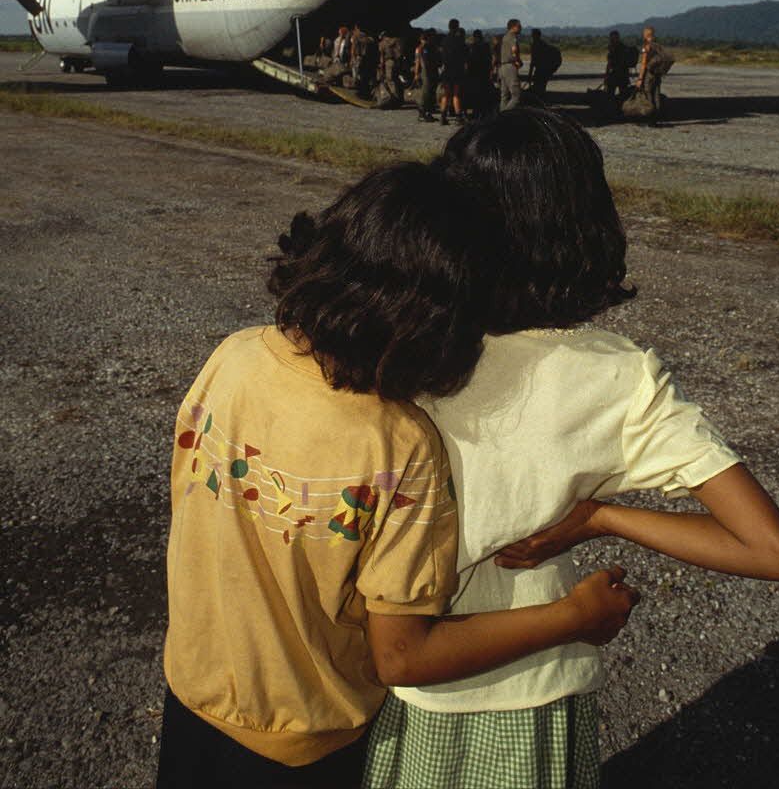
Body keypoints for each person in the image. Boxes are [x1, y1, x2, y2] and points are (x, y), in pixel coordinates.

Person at [157, 161, 639, 789]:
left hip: (191, 695)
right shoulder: (400, 443)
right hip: (305, 741)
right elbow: (402, 654)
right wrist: (574, 617)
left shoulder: (237, 354)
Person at [363, 109, 779, 789]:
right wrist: (600, 515)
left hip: (392, 685)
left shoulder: (402, 338)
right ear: (585, 221)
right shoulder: (619, 376)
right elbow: (771, 552)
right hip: (534, 688)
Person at [636, 25, 669, 123]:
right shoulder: (658, 46)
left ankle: (650, 118)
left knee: (648, 95)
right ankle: (657, 117)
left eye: (644, 34)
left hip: (649, 75)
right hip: (657, 75)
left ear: (646, 35)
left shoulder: (646, 47)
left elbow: (643, 64)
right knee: (656, 95)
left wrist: (640, 79)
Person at [439, 18, 468, 125]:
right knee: (456, 94)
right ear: (457, 27)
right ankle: (458, 117)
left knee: (446, 95)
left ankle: (443, 116)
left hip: (446, 70)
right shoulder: (459, 41)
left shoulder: (444, 40)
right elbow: (465, 56)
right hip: (457, 70)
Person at [465, 29, 494, 119]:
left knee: (475, 93)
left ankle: (476, 111)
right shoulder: (486, 46)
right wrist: (490, 71)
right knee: (483, 92)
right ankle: (483, 111)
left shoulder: (472, 46)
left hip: (473, 72)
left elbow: (468, 60)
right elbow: (489, 59)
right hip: (483, 72)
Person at [526, 27, 561, 100]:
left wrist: (529, 75)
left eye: (532, 35)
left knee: (538, 87)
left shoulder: (535, 45)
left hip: (542, 70)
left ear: (534, 36)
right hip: (546, 69)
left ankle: (539, 101)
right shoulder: (543, 44)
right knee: (541, 87)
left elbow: (533, 62)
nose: (532, 37)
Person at [414, 28, 441, 123]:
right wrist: (416, 74)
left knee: (431, 92)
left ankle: (428, 112)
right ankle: (422, 112)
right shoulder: (422, 48)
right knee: (426, 93)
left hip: (432, 72)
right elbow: (419, 62)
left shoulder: (432, 47)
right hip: (426, 73)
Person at [498, 18, 522, 110]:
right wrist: (517, 60)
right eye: (519, 26)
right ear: (513, 27)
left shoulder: (505, 36)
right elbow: (514, 49)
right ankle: (505, 115)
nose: (521, 28)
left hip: (502, 67)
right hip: (510, 67)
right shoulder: (512, 36)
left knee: (504, 95)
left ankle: (500, 116)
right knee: (516, 96)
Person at [603, 29, 632, 102]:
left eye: (612, 38)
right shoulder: (624, 48)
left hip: (615, 76)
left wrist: (606, 76)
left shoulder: (614, 48)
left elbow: (610, 64)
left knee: (610, 95)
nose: (612, 40)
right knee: (623, 95)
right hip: (623, 76)